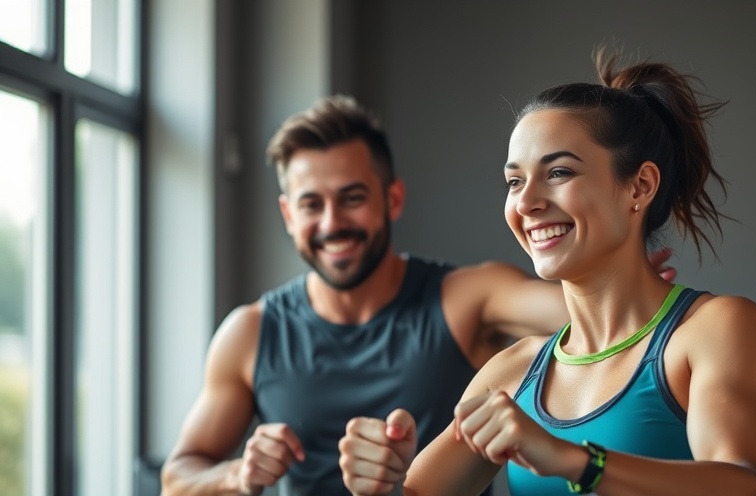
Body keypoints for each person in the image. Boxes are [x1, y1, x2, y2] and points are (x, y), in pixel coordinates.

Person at [159, 94, 676, 495]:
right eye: (311, 204)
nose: (332, 222)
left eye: (352, 198)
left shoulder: (467, 297)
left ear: (393, 198)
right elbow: (177, 476)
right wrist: (238, 476)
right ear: (289, 215)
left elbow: (582, 313)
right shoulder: (251, 332)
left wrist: (613, 271)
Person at [337, 49, 756, 496]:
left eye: (558, 172)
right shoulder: (513, 372)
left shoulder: (713, 330)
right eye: (515, 181)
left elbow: (748, 484)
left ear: (640, 186)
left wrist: (573, 460)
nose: (527, 202)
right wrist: (381, 480)